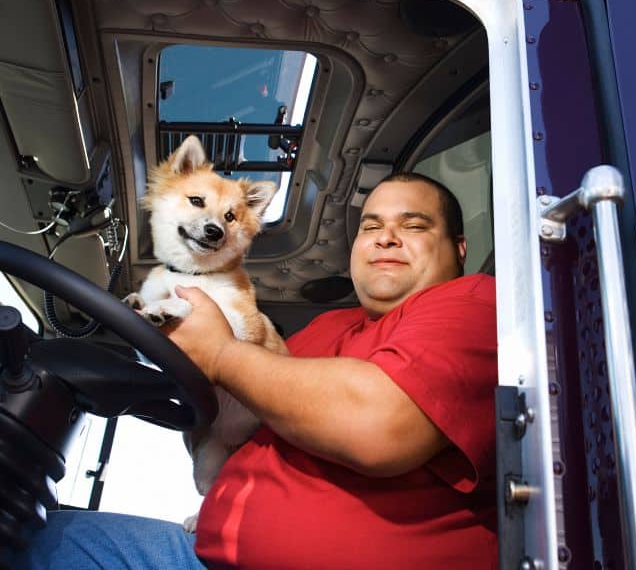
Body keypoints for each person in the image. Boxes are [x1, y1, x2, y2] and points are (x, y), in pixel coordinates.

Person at [13, 174, 499, 569]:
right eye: (370, 227)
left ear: (458, 248)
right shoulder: (330, 326)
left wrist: (222, 355)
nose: (385, 237)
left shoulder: (474, 302)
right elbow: (244, 418)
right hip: (204, 551)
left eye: (413, 225)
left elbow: (379, 423)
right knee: (37, 539)